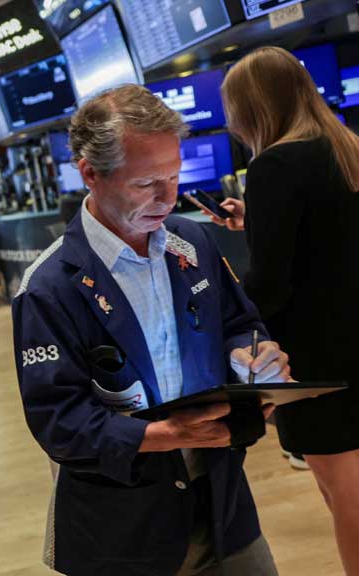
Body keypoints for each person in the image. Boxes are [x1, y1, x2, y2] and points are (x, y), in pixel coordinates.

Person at [12, 85, 291, 576]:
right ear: (90, 174)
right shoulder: (49, 289)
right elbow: (59, 422)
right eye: (146, 184)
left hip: (224, 502)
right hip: (126, 529)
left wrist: (255, 355)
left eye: (175, 176)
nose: (169, 197)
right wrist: (163, 435)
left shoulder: (194, 242)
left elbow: (239, 323)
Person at [214, 46, 359, 575]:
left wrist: (225, 305)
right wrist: (257, 220)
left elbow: (271, 286)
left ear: (251, 107)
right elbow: (329, 232)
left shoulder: (273, 164)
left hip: (319, 362)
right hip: (351, 343)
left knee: (345, 499)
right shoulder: (345, 148)